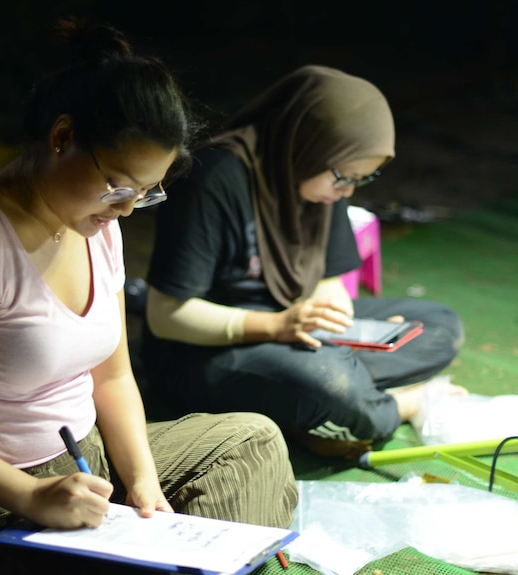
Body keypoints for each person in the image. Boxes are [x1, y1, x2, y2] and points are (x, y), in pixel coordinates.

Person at [0, 19, 297, 575]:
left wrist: (143, 485)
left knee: (251, 442)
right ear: (61, 137)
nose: (125, 208)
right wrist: (29, 497)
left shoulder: (99, 227)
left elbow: (112, 376)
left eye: (146, 193)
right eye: (119, 186)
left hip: (86, 468)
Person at [141, 65, 467, 460]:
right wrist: (276, 326)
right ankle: (395, 406)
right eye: (342, 176)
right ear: (306, 143)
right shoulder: (214, 180)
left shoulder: (319, 183)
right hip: (202, 352)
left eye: (361, 179)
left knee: (439, 326)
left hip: (293, 330)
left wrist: (347, 328)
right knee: (330, 382)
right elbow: (166, 316)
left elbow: (328, 281)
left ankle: (313, 402)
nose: (347, 189)